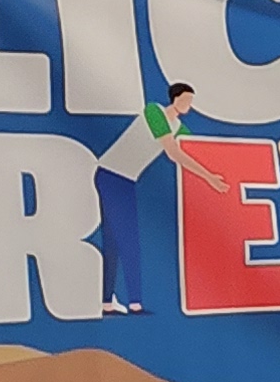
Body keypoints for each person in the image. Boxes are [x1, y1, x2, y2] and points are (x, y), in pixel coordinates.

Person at [94, 82, 237, 315]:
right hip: (110, 175)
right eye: (186, 100)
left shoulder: (178, 126)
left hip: (127, 179)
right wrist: (208, 176)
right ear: (175, 98)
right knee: (125, 240)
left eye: (191, 101)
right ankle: (134, 303)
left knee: (115, 242)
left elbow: (194, 148)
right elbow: (173, 152)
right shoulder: (154, 111)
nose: (189, 105)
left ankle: (109, 302)